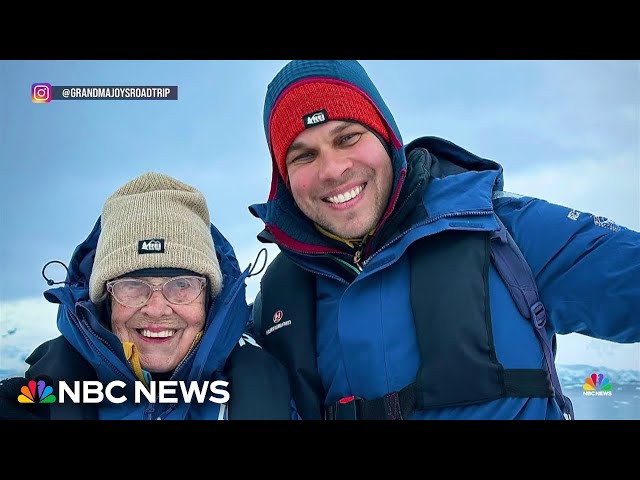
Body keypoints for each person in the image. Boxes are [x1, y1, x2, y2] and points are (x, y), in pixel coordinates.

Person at [248, 60, 640, 420]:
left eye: (348, 137)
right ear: (283, 179)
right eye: (303, 155)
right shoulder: (279, 300)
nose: (332, 170)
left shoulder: (505, 231)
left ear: (386, 137)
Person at [0, 172, 296, 420]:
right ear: (106, 299)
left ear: (210, 298)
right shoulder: (41, 398)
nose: (156, 309)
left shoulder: (279, 393)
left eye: (182, 285)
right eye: (133, 285)